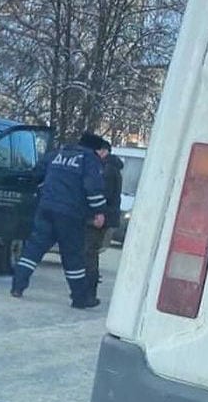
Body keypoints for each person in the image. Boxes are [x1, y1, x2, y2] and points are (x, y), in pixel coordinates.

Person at [11, 132, 108, 308]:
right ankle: (80, 298)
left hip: (46, 208)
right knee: (73, 256)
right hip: (70, 214)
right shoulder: (88, 159)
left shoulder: (56, 154)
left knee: (33, 249)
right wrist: (99, 212)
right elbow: (92, 188)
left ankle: (17, 286)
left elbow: (36, 175)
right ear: (95, 148)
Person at [85, 141, 124, 294]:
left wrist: (96, 213)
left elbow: (103, 194)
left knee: (89, 251)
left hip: (100, 217)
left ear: (103, 151)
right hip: (105, 216)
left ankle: (89, 289)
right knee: (91, 251)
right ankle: (89, 286)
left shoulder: (106, 170)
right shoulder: (111, 167)